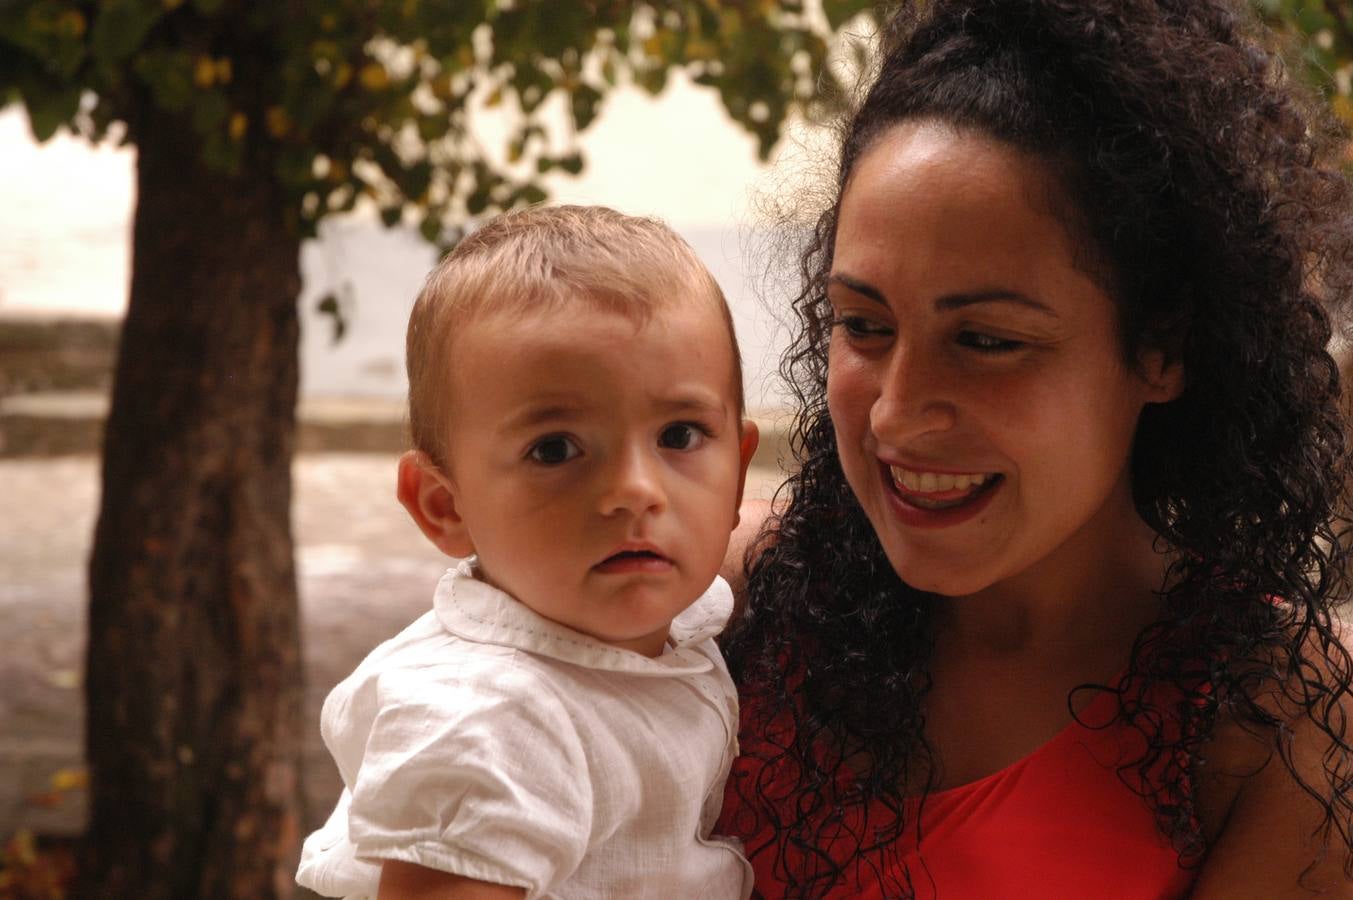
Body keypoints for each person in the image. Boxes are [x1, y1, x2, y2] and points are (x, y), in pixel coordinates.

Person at [716, 1, 1353, 897]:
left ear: (1161, 347)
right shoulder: (723, 597)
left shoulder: (1271, 721)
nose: (894, 416)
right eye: (862, 325)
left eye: (985, 341)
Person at [296, 205, 760, 899]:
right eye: (554, 449)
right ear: (443, 506)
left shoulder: (673, 625)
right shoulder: (491, 718)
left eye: (680, 435)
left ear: (738, 475)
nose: (634, 491)